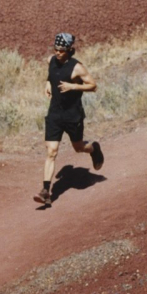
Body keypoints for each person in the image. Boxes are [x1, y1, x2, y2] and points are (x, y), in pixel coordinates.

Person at [36, 32, 104, 207]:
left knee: (79, 147)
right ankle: (46, 192)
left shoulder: (77, 67)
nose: (58, 52)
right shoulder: (51, 60)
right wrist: (48, 83)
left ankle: (94, 148)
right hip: (54, 115)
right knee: (51, 151)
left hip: (72, 115)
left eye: (61, 50)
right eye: (56, 49)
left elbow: (93, 85)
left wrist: (73, 86)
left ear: (69, 50)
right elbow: (51, 75)